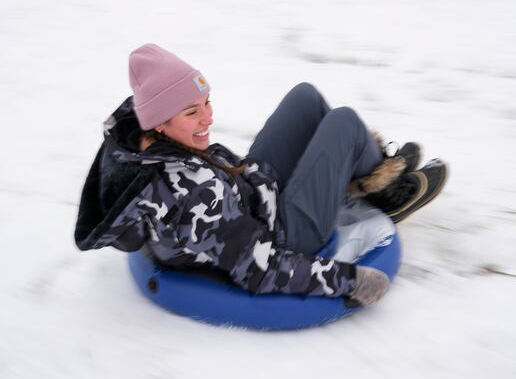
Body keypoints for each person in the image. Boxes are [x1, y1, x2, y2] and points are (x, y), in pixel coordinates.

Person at [74, 43, 447, 307]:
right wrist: (349, 280)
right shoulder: (191, 196)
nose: (209, 118)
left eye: (206, 103)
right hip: (286, 235)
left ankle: (369, 165)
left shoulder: (146, 143)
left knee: (306, 97)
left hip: (254, 193)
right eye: (192, 113)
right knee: (344, 123)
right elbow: (260, 269)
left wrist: (249, 179)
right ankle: (387, 191)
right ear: (159, 122)